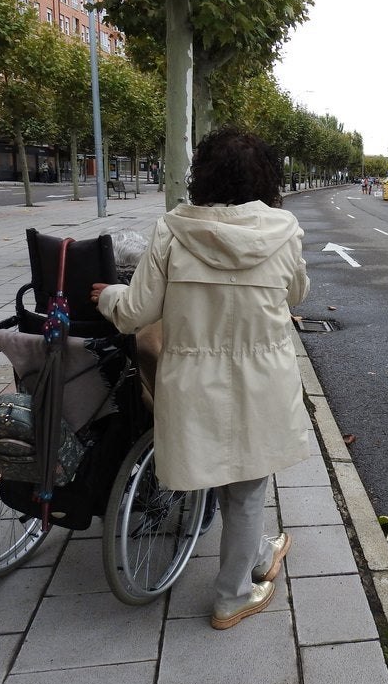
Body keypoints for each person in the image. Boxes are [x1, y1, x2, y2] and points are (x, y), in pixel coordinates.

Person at [90, 126, 310, 629]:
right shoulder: (284, 230)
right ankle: (233, 595)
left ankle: (256, 556)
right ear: (268, 179)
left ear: (203, 175)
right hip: (263, 376)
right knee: (249, 484)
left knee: (217, 470)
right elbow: (296, 294)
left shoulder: (172, 230)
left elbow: (135, 312)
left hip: (194, 378)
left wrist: (105, 295)